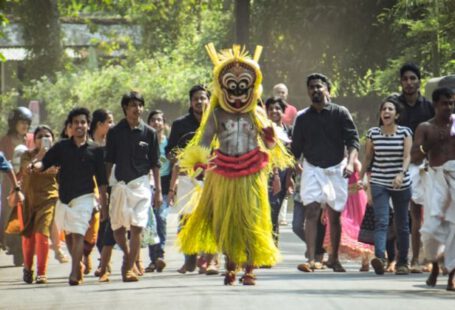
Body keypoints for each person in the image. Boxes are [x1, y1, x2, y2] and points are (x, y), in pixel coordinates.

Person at [177, 44, 293, 285]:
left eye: (243, 87)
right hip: (223, 173)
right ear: (222, 87)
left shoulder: (257, 114)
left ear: (253, 87)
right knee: (226, 222)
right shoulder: (217, 115)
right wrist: (199, 161)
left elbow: (271, 146)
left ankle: (249, 269)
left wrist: (271, 142)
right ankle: (231, 266)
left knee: (251, 220)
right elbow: (206, 141)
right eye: (232, 87)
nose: (238, 94)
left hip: (252, 173)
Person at [291, 73, 359, 273]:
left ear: (327, 90)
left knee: (334, 215)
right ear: (308, 91)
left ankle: (334, 259)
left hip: (336, 168)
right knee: (311, 211)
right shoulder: (302, 118)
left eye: (319, 87)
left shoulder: (340, 113)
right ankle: (311, 259)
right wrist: (292, 163)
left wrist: (350, 163)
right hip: (312, 167)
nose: (315, 90)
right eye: (311, 87)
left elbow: (353, 142)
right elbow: (295, 149)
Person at [32, 107, 108, 285]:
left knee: (79, 233)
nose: (79, 125)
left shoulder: (96, 150)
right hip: (64, 199)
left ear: (88, 125)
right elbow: (44, 163)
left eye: (83, 122)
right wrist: (34, 166)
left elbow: (102, 180)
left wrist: (104, 204)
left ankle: (74, 272)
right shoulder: (61, 147)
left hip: (85, 198)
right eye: (76, 123)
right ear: (70, 126)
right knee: (69, 236)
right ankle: (78, 266)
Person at [105, 91, 162, 282]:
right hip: (120, 184)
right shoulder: (114, 132)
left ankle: (128, 268)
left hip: (141, 185)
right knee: (118, 228)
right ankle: (128, 254)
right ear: (125, 108)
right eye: (132, 105)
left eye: (139, 105)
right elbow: (109, 162)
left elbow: (155, 163)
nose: (137, 109)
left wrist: (158, 192)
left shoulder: (150, 133)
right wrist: (104, 189)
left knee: (137, 226)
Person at [359, 96, 412, 275]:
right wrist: (362, 178)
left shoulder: (405, 132)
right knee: (381, 221)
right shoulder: (373, 133)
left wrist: (401, 173)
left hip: (401, 183)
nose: (386, 112)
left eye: (390, 109)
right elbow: (367, 158)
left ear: (396, 115)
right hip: (379, 181)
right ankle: (380, 258)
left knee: (402, 224)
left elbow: (407, 156)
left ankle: (403, 262)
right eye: (384, 110)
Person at [166, 85, 215, 275]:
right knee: (186, 220)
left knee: (210, 219)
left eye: (203, 98)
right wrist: (183, 161)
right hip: (187, 179)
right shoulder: (180, 124)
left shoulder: (215, 122)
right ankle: (190, 260)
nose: (200, 102)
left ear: (208, 100)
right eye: (196, 98)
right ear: (190, 101)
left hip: (212, 177)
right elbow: (170, 152)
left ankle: (210, 260)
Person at [411, 87, 455, 291]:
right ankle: (435, 267)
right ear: (436, 104)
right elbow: (414, 156)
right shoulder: (425, 128)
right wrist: (427, 145)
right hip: (435, 180)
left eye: (452, 103)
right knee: (432, 229)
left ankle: (452, 275)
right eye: (445, 103)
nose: (449, 106)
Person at [395, 63, 435, 273]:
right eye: (405, 79)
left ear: (419, 81)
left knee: (423, 213)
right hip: (398, 165)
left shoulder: (428, 107)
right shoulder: (394, 105)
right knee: (402, 213)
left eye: (413, 78)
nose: (409, 83)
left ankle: (422, 259)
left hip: (424, 166)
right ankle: (400, 259)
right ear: (401, 82)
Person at [20, 125, 58, 284]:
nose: (44, 139)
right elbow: (27, 170)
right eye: (40, 137)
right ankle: (28, 268)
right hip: (28, 200)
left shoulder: (58, 155)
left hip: (48, 199)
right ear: (34, 140)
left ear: (53, 139)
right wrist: (41, 155)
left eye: (47, 136)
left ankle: (42, 273)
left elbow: (56, 170)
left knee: (42, 233)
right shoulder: (26, 155)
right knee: (29, 238)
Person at [323, 159, 374, 271]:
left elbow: (363, 179)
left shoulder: (355, 163)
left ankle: (365, 262)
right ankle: (334, 258)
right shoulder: (334, 164)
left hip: (356, 199)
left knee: (359, 227)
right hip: (343, 198)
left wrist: (360, 184)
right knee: (341, 225)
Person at [0, 107, 33, 265]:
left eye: (27, 122)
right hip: (9, 183)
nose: (24, 126)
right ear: (14, 123)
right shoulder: (4, 141)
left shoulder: (31, 140)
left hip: (28, 183)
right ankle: (6, 240)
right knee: (6, 213)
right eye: (21, 122)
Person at [89, 109, 116, 282]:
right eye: (110, 122)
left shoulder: (112, 144)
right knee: (96, 228)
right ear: (99, 124)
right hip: (91, 190)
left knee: (109, 226)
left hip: (111, 189)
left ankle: (105, 263)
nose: (112, 125)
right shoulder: (88, 145)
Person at [145, 110, 170, 273]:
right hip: (148, 185)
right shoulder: (145, 142)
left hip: (164, 186)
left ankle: (160, 254)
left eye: (159, 120)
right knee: (149, 222)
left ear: (164, 123)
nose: (156, 123)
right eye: (153, 120)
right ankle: (153, 259)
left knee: (161, 218)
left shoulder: (168, 143)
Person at [265, 97, 291, 245]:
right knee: (266, 212)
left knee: (274, 212)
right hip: (264, 174)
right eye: (271, 109)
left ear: (283, 112)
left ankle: (272, 247)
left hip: (283, 175)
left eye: (277, 109)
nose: (274, 111)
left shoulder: (289, 131)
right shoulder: (262, 130)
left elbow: (292, 157)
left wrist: (289, 178)